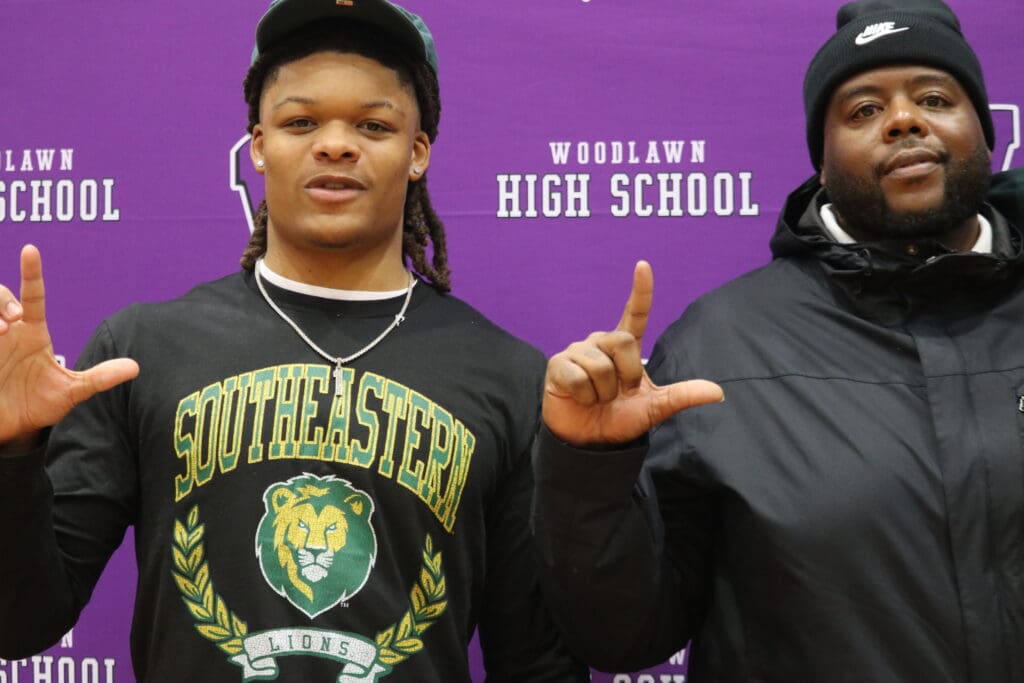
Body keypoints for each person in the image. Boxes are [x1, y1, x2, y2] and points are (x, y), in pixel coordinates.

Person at [0, 1, 588, 681]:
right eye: (301, 122)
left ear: (417, 152)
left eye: (373, 125)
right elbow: (20, 621)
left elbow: (537, 663)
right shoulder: (140, 350)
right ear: (257, 146)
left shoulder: (508, 375)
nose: (335, 145)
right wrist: (10, 452)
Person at [531, 0, 1024, 680]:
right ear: (821, 163)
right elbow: (624, 636)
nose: (904, 120)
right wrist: (590, 470)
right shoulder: (720, 345)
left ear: (986, 132)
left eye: (935, 98)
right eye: (863, 110)